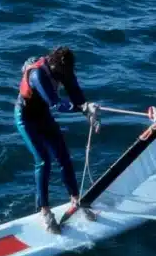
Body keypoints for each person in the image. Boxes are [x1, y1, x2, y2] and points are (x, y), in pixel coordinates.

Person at [14, 46, 99, 233]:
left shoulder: (64, 71)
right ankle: (44, 211)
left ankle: (76, 200)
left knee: (64, 157)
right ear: (54, 66)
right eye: (63, 73)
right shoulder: (38, 76)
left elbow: (76, 94)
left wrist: (89, 113)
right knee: (43, 160)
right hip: (26, 118)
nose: (65, 76)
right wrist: (83, 109)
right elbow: (56, 104)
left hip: (42, 115)